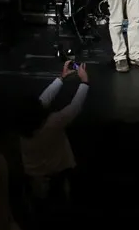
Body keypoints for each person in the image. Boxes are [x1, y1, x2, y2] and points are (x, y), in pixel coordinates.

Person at [17, 61, 89, 207]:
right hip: (58, 175)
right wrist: (85, 82)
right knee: (60, 205)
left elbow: (43, 101)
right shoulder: (53, 123)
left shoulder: (22, 125)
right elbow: (75, 106)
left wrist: (61, 78)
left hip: (33, 178)